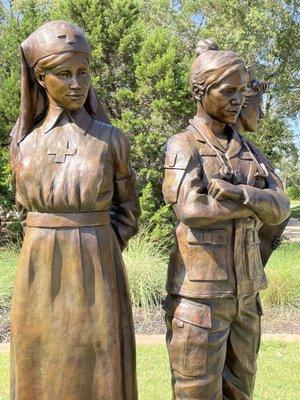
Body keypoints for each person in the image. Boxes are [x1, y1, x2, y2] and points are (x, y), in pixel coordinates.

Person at [9, 21, 140, 400]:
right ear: (40, 78)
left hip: (97, 264)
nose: (76, 83)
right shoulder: (25, 146)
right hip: (38, 270)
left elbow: (128, 207)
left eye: (83, 73)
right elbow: (24, 208)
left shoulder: (110, 139)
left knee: (99, 361)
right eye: (64, 74)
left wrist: (101, 243)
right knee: (40, 361)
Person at [162, 39, 290, 399]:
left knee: (241, 389)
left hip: (246, 295)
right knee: (195, 390)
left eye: (242, 90)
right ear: (201, 91)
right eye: (228, 90)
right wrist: (256, 208)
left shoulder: (250, 150)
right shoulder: (183, 145)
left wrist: (243, 195)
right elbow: (193, 209)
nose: (238, 99)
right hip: (200, 297)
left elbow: (281, 206)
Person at [234, 67, 289, 265]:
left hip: (248, 271)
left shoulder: (255, 153)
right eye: (258, 107)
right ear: (241, 105)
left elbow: (282, 202)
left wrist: (242, 196)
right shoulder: (196, 144)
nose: (262, 115)